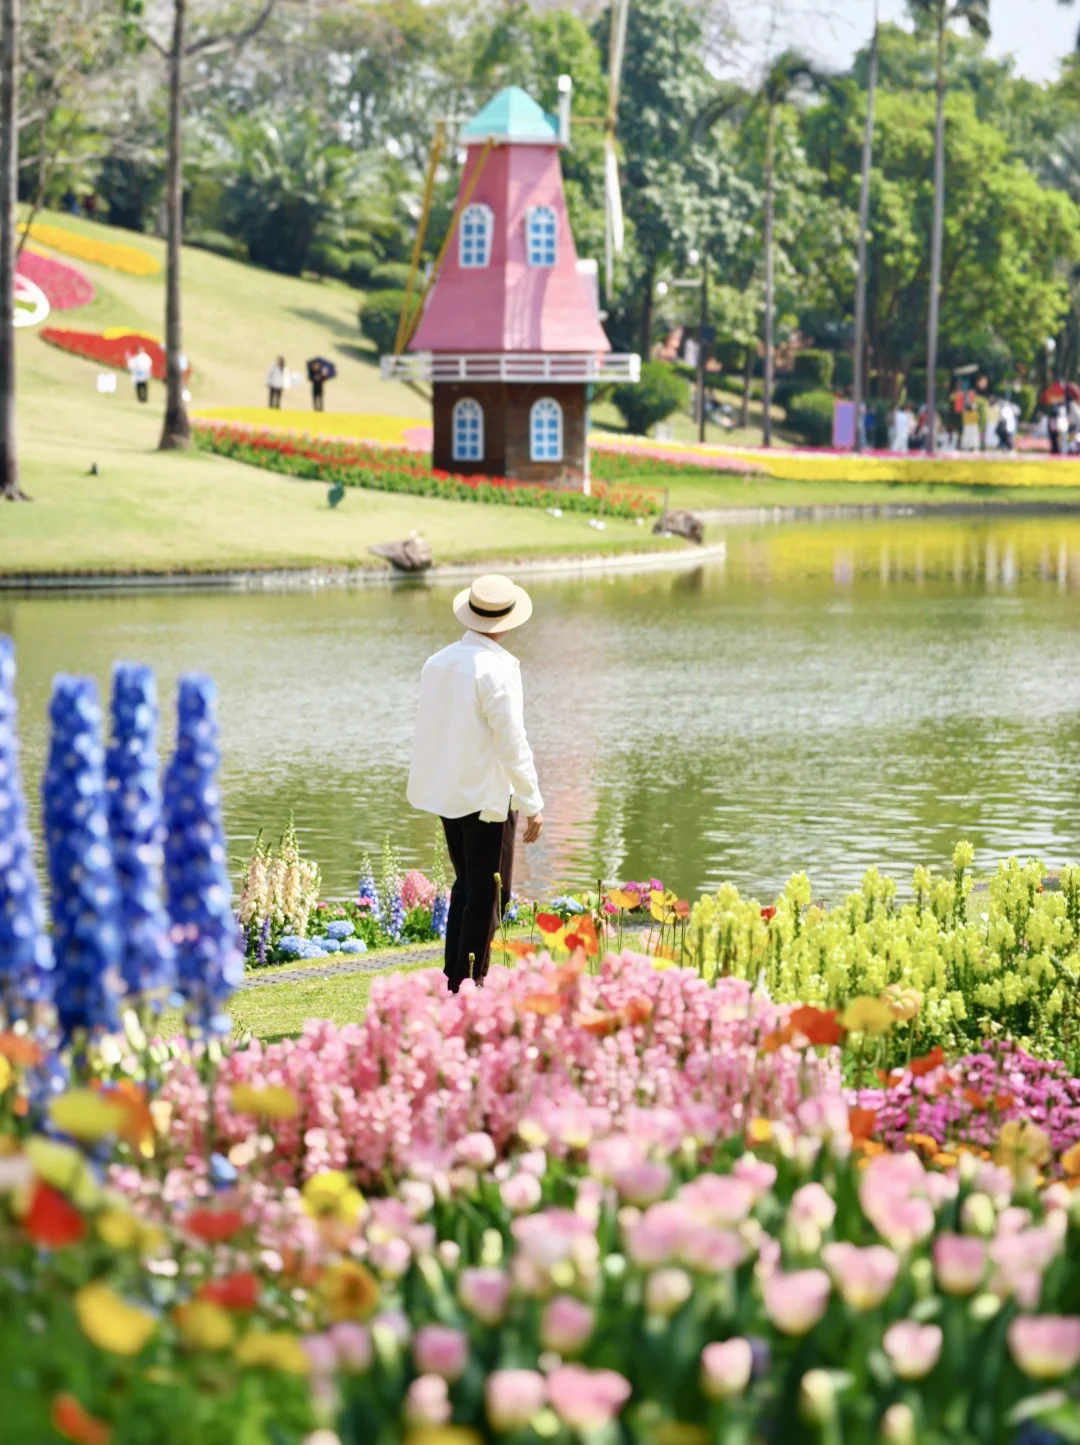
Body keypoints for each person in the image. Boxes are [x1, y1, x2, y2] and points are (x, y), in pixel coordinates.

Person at [407, 574, 544, 994]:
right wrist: (532, 800)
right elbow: (511, 739)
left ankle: (456, 979)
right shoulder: (495, 669)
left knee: (469, 886)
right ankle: (469, 983)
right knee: (488, 894)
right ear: (507, 620)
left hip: (451, 792)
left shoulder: (440, 660)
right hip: (487, 794)